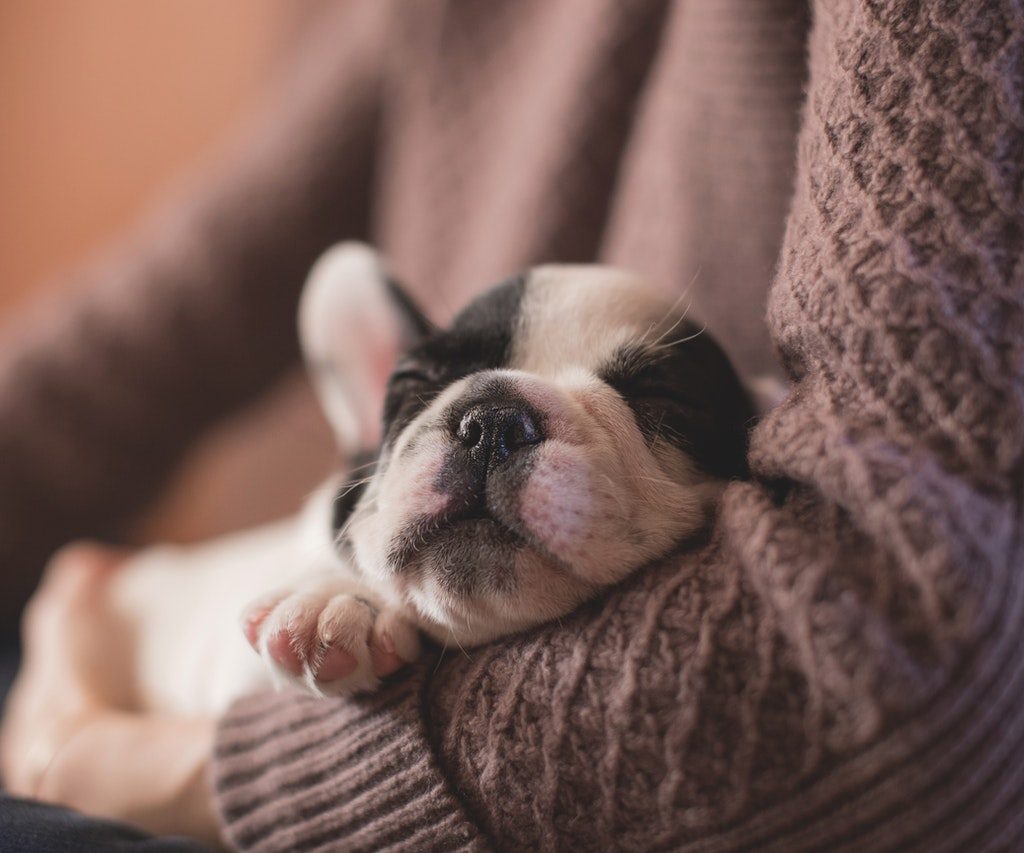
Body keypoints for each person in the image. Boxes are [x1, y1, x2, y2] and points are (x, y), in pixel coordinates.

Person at [2, 1, 1024, 849]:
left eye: (650, 407)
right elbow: (142, 335)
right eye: (434, 394)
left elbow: (909, 661)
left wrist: (119, 764)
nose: (498, 432)